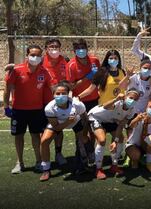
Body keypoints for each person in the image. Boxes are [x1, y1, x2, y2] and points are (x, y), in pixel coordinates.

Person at [3, 45, 57, 174]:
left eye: (38, 55)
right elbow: (7, 89)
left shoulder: (44, 72)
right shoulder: (16, 70)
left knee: (36, 136)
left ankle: (39, 162)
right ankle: (19, 163)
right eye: (32, 55)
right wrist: (6, 107)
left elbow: (53, 88)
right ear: (27, 55)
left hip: (37, 110)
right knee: (18, 136)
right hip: (18, 110)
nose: (35, 57)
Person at [39, 81, 87, 181]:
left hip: (76, 121)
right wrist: (67, 121)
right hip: (59, 123)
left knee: (81, 141)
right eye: (58, 93)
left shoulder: (77, 104)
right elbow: (56, 128)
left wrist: (85, 134)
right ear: (53, 95)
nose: (61, 95)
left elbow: (85, 118)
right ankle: (46, 169)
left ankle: (82, 164)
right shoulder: (49, 108)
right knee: (44, 141)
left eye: (64, 93)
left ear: (68, 94)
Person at [88, 89, 139, 180]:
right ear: (125, 96)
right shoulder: (118, 102)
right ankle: (98, 168)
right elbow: (105, 106)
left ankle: (114, 166)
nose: (132, 101)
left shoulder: (131, 110)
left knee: (120, 139)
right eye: (131, 98)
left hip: (109, 120)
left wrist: (115, 141)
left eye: (135, 99)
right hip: (96, 117)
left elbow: (121, 125)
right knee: (102, 140)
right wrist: (116, 99)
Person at [66, 38, 101, 173]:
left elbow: (98, 78)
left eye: (83, 47)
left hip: (94, 100)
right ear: (74, 51)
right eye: (78, 48)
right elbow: (71, 86)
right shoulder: (71, 65)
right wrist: (87, 77)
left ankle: (91, 155)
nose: (81, 50)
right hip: (79, 101)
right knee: (80, 133)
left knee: (93, 130)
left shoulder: (95, 60)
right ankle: (80, 161)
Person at [126, 99, 151, 172]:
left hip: (145, 144)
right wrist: (136, 119)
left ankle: (149, 163)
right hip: (134, 144)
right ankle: (134, 160)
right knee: (135, 161)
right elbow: (131, 126)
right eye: (150, 107)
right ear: (146, 108)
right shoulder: (140, 116)